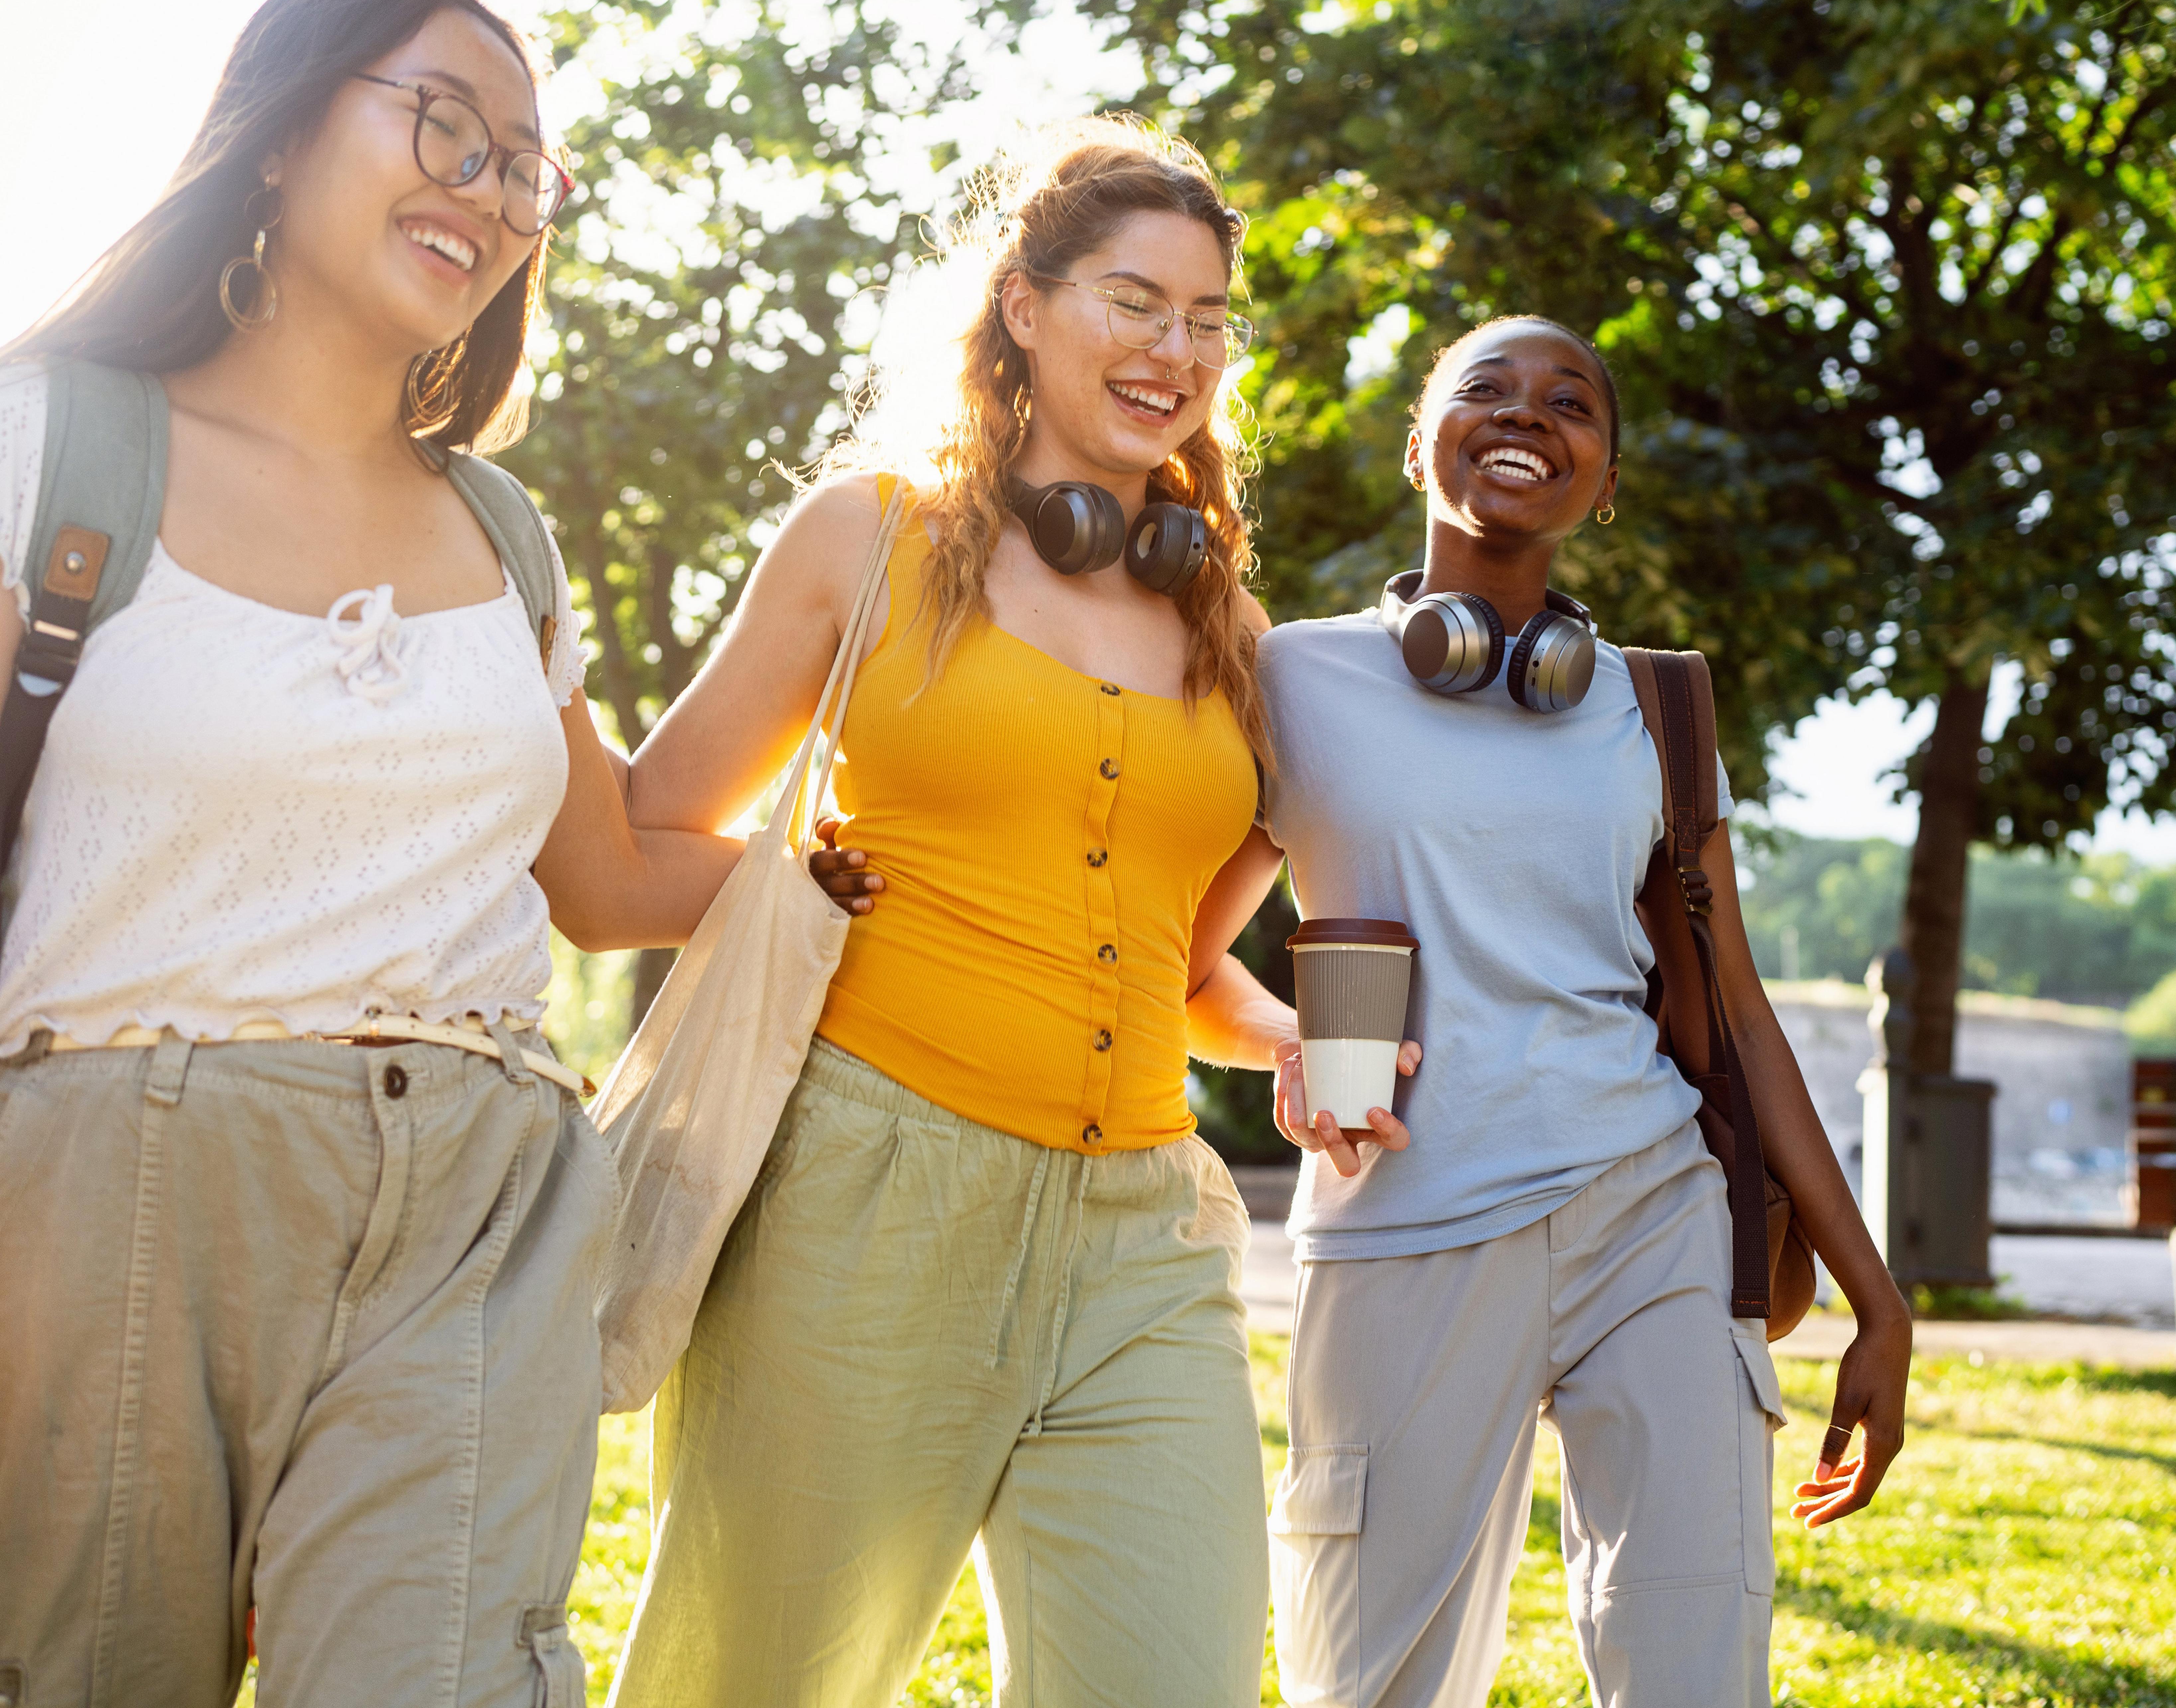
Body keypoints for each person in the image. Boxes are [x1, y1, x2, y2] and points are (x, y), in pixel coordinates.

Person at [0, 0, 864, 1703]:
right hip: (109, 1187)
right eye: (443, 124)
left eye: (524, 167)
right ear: (280, 126)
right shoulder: (51, 443)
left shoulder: (500, 529)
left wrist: (843, 874)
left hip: (473, 1193)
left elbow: (605, 872)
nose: (486, 185)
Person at [603, 116, 1296, 1708]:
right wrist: (786, 885)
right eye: (1135, 302)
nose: (1174, 350)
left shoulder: (1225, 626)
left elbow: (1196, 974)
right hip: (862, 1199)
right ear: (1023, 306)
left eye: (1206, 321)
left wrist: (1300, 1048)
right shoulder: (870, 541)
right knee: (745, 1683)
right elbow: (648, 827)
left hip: (1140, 1237)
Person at [1186, 315, 1914, 1707]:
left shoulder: (1656, 712)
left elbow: (1742, 1019)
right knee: (1374, 1680)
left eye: (1569, 402)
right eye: (1487, 389)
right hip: (1403, 1225)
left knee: (1697, 1666)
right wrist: (1289, 1042)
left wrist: (1875, 1303)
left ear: (1604, 481)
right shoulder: (1289, 680)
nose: (1528, 415)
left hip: (1648, 1213)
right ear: (1419, 443)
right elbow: (1171, 959)